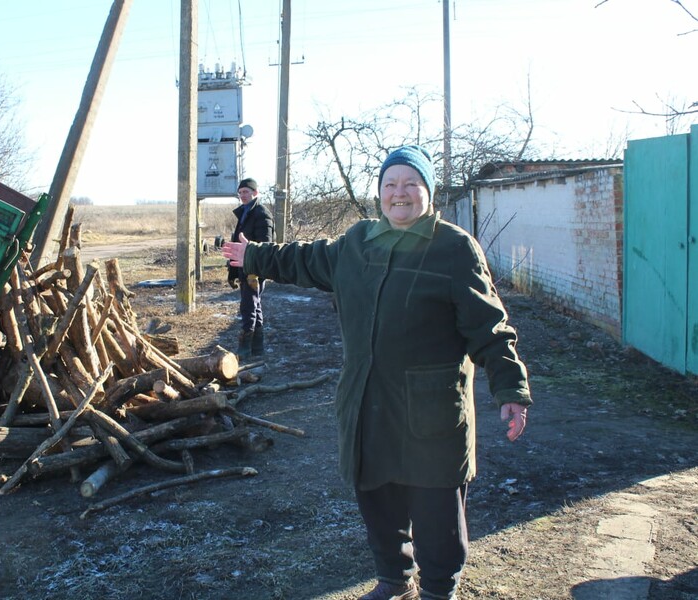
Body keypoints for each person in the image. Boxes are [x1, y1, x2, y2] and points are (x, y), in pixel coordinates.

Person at [222, 146, 531, 600]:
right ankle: (394, 581)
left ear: (427, 192)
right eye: (390, 185)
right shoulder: (358, 242)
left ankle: (438, 590)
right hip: (368, 402)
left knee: (435, 512)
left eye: (410, 184)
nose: (399, 194)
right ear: (380, 194)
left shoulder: (453, 248)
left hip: (430, 409)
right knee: (378, 501)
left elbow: (489, 327)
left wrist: (510, 387)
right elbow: (304, 259)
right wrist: (254, 256)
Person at [227, 177, 274, 359]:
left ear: (255, 193)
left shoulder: (262, 213)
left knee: (248, 306)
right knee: (255, 305)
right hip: (243, 266)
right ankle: (257, 347)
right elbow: (236, 244)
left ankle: (245, 347)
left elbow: (266, 244)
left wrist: (255, 270)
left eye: (246, 192)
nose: (242, 196)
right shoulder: (245, 213)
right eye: (240, 193)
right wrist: (232, 272)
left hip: (255, 268)